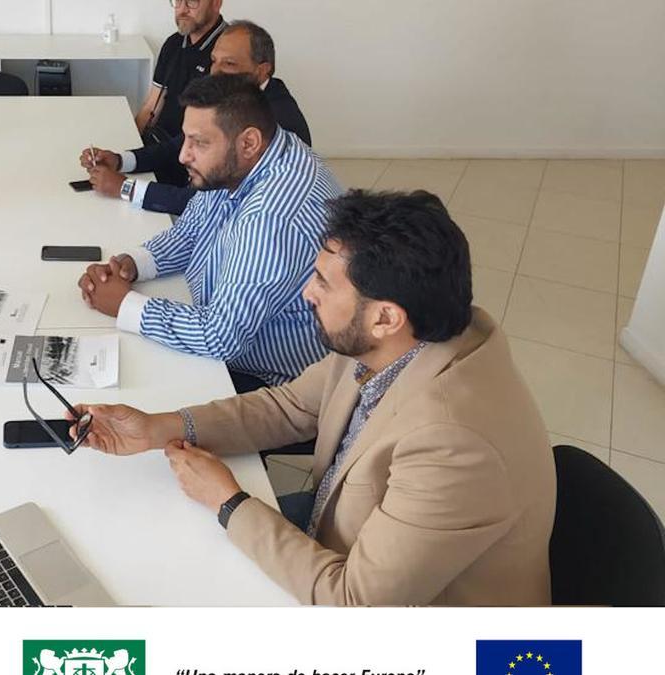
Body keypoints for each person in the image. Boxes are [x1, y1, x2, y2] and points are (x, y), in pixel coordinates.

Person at [70, 190, 556, 606]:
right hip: (343, 537)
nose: (308, 293)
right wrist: (159, 428)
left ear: (385, 317)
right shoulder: (401, 333)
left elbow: (353, 600)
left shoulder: (453, 443)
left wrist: (227, 500)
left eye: (323, 282)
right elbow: (291, 407)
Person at [78, 75, 338, 391]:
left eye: (199, 142)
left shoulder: (270, 218)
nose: (183, 156)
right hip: (219, 329)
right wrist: (132, 263)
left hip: (267, 380)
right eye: (186, 139)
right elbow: (190, 231)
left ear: (249, 142)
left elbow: (221, 336)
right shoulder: (245, 161)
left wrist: (125, 305)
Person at [82, 21, 312, 216]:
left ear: (262, 71)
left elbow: (210, 203)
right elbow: (178, 144)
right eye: (214, 60)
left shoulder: (275, 125)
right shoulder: (237, 96)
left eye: (229, 64)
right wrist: (121, 160)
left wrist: (125, 188)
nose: (215, 71)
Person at [135, 0, 227, 164]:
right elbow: (152, 106)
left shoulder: (228, 51)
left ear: (216, 3)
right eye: (178, 1)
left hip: (193, 158)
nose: (182, 10)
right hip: (159, 146)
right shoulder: (174, 43)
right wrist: (130, 148)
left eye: (192, 2)